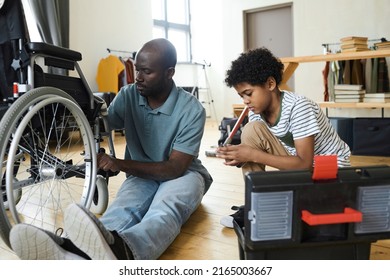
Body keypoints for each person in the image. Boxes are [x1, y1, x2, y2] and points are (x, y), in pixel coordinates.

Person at [9, 38, 213, 260]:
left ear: (169, 73)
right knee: (122, 209)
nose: (138, 78)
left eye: (146, 72)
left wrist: (119, 164)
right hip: (141, 175)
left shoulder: (192, 110)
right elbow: (102, 125)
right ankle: (76, 251)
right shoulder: (129, 95)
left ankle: (125, 252)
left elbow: (174, 168)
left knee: (164, 210)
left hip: (184, 175)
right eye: (137, 69)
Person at [217, 47, 351, 228]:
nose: (245, 101)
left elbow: (304, 163)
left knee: (304, 211)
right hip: (299, 167)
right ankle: (256, 203)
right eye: (242, 96)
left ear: (270, 84)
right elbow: (256, 152)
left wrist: (251, 155)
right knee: (250, 130)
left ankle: (273, 205)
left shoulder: (299, 107)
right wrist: (238, 156)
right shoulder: (257, 112)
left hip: (328, 170)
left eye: (249, 93)